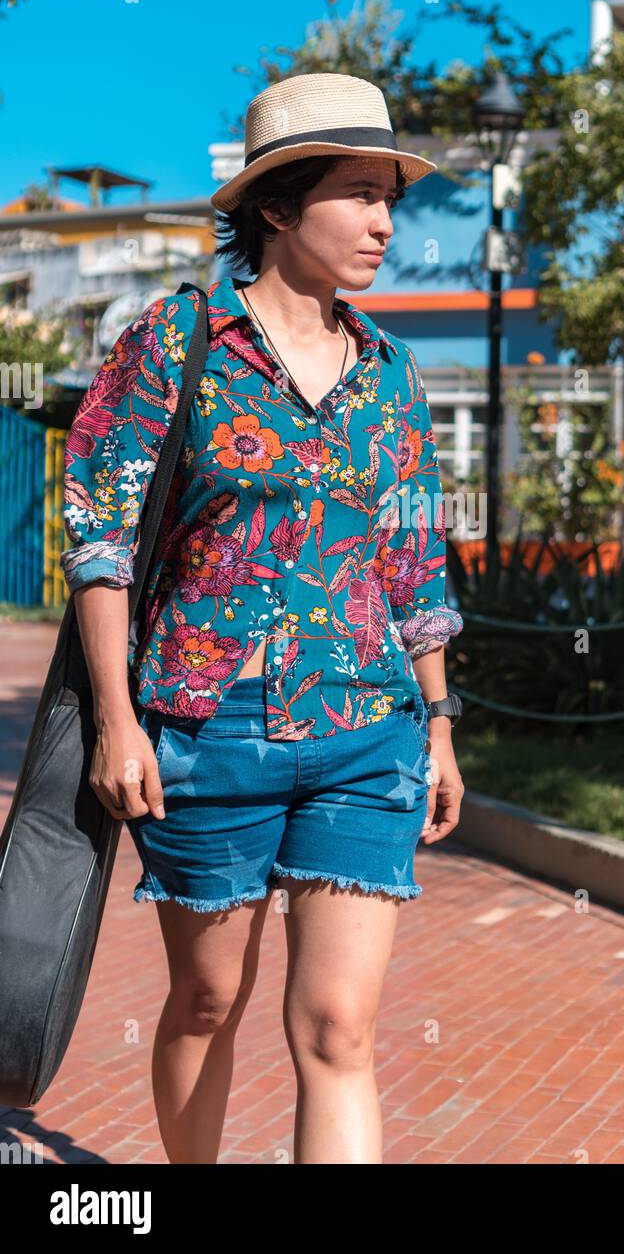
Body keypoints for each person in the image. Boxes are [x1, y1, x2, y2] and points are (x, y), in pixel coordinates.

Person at [60, 73, 465, 1164]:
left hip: (366, 730)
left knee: (337, 1026)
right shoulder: (176, 341)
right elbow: (98, 538)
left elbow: (411, 559)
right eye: (358, 193)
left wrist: (436, 724)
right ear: (279, 206)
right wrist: (115, 719)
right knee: (204, 999)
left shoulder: (391, 376)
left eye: (392, 196)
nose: (385, 221)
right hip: (203, 728)